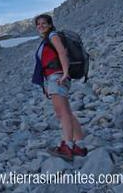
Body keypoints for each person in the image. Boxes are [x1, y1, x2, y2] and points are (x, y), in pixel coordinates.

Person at [33, 14, 88, 161]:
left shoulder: (53, 36)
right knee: (67, 112)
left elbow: (62, 52)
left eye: (44, 23)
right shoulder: (47, 38)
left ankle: (67, 146)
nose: (41, 26)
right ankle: (80, 146)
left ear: (50, 24)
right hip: (55, 77)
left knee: (61, 113)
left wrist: (64, 73)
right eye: (38, 24)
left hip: (57, 77)